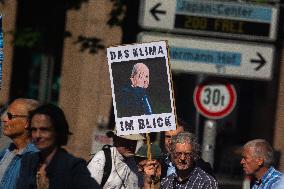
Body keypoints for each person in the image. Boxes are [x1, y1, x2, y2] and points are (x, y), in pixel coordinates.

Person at [16, 104, 100, 189]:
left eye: (44, 129)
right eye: (34, 129)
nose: (38, 135)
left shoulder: (72, 166)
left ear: (57, 131)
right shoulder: (28, 161)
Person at [0, 98, 40, 189]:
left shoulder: (37, 159)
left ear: (27, 122)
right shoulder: (7, 151)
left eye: (10, 116)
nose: (4, 119)